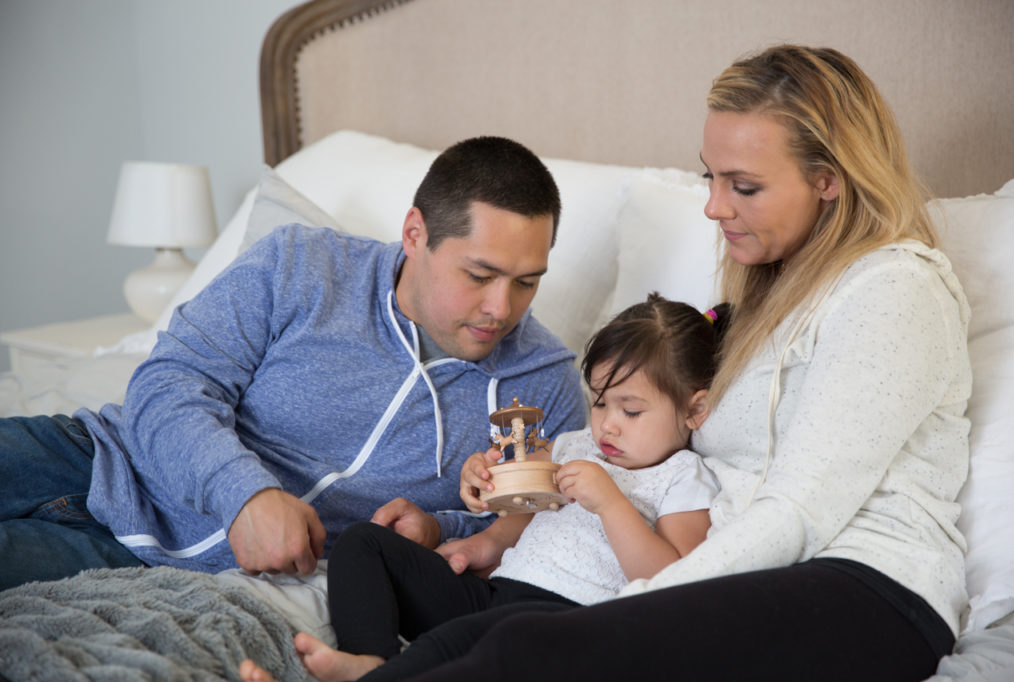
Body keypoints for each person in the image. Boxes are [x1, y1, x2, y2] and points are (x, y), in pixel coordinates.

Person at [377, 45, 973, 682]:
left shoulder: (893, 290)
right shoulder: (764, 299)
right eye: (711, 177)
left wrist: (630, 606)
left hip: (870, 587)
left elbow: (799, 512)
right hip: (758, 576)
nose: (715, 207)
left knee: (534, 651)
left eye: (743, 186)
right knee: (490, 642)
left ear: (829, 179)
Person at [0, 136, 588, 589]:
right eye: (479, 275)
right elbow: (169, 383)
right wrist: (245, 495)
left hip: (140, 561)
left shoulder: (541, 385)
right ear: (415, 234)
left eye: (527, 282)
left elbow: (521, 533)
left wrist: (440, 528)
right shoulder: (301, 265)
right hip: (94, 454)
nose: (500, 309)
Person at [239, 294, 729, 682]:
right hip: (497, 593)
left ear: (694, 410)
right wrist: (483, 510)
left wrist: (612, 504)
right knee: (363, 544)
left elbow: (676, 583)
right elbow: (522, 507)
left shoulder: (685, 477)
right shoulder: (576, 445)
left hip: (565, 620)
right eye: (599, 403)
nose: (608, 426)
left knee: (456, 647)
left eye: (632, 410)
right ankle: (371, 657)